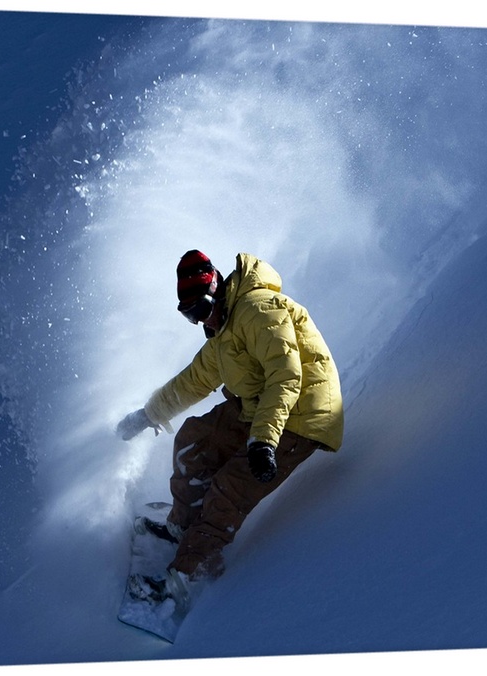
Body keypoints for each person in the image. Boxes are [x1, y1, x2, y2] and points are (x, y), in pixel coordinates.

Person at [116, 250, 343, 609]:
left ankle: (185, 579)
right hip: (260, 408)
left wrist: (264, 441)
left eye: (200, 309)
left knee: (229, 489)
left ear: (216, 290)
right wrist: (147, 416)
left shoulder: (258, 310)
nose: (199, 321)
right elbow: (191, 382)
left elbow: (286, 377)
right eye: (189, 315)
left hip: (300, 414)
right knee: (193, 440)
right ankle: (183, 527)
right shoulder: (222, 332)